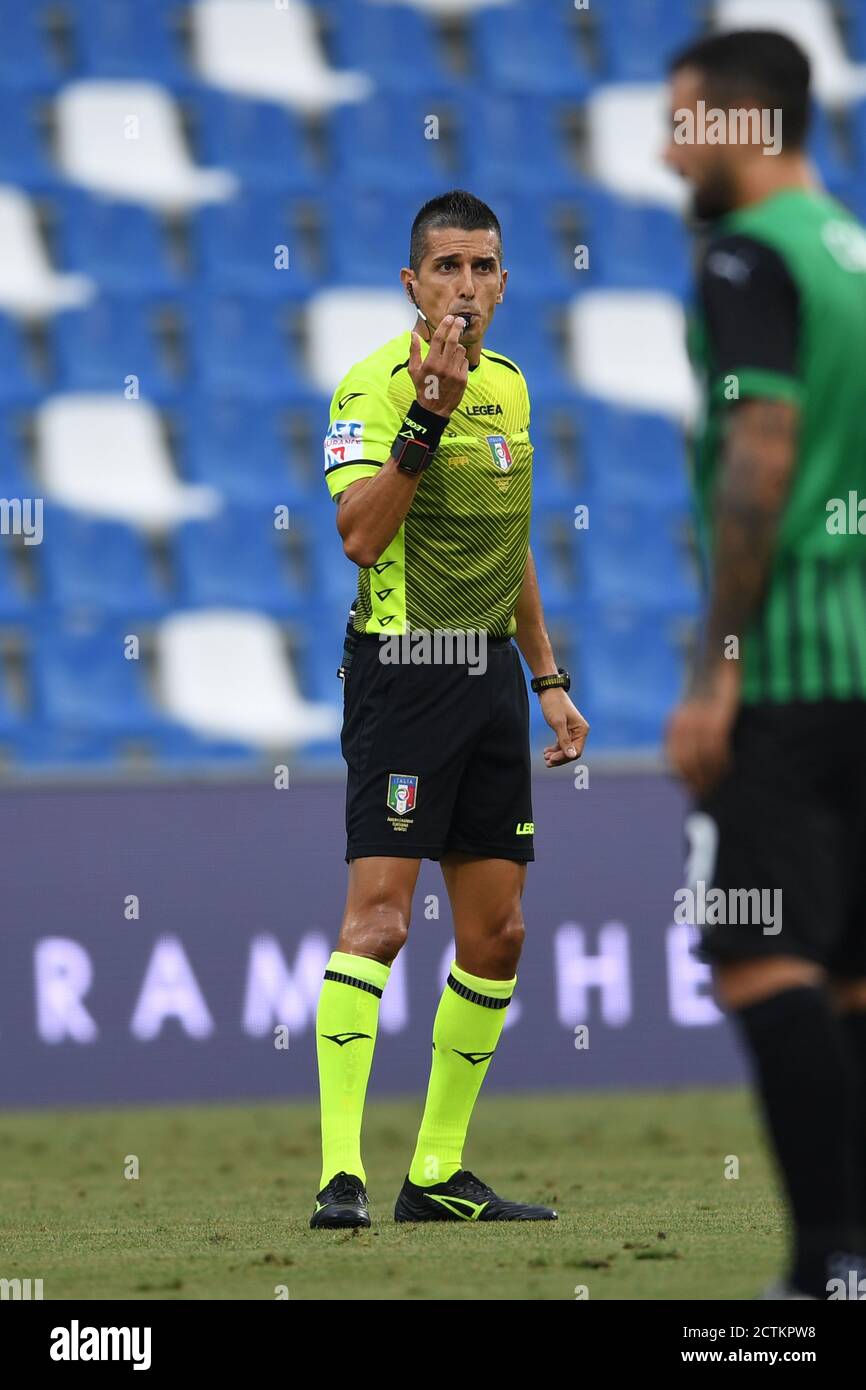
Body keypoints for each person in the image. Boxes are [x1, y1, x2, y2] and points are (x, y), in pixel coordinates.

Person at [311, 189, 589, 1227]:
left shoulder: (512, 391)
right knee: (378, 922)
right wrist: (425, 417)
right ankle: (340, 1175)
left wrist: (547, 680)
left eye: (482, 269)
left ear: (503, 283)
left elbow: (504, 547)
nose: (464, 288)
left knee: (499, 934)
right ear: (411, 283)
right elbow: (358, 537)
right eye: (446, 269)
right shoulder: (373, 388)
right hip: (400, 669)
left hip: (485, 681)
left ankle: (433, 1174)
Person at [664, 30, 866, 1298]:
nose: (665, 148)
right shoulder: (852, 250)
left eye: (683, 120)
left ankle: (825, 1265)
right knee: (848, 975)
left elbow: (762, 451)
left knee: (758, 954)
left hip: (790, 667)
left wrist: (715, 664)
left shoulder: (744, 256)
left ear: (740, 127)